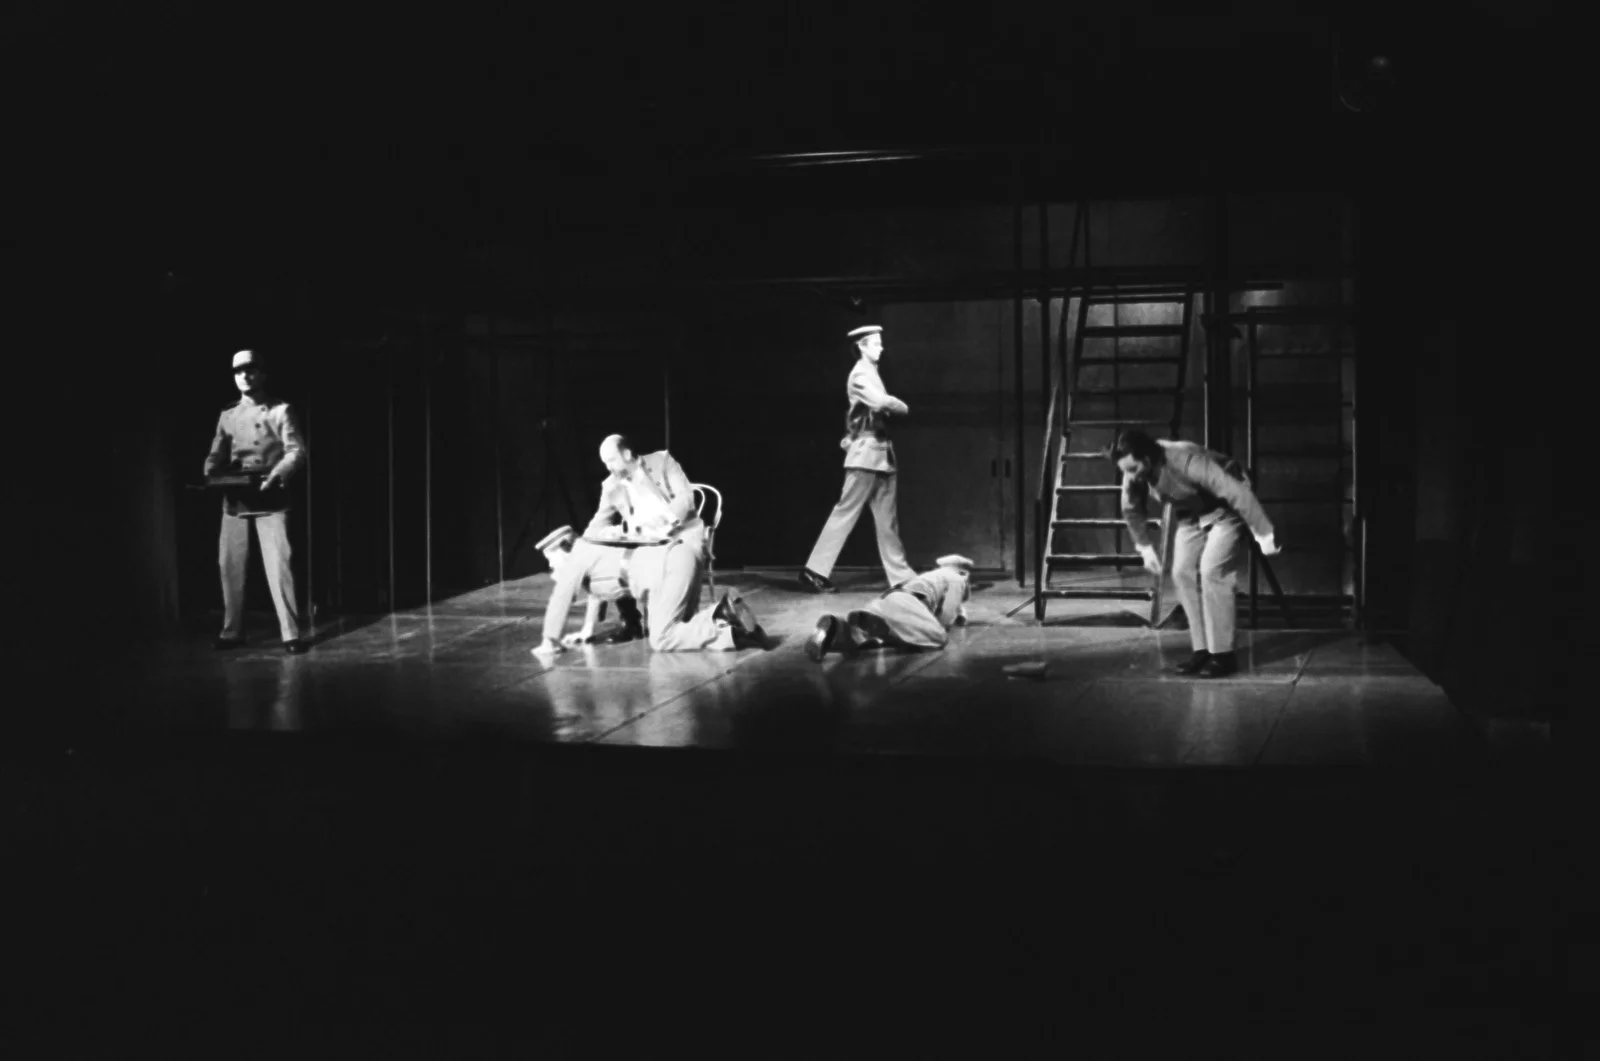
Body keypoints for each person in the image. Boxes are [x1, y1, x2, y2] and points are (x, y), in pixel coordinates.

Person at [534, 435, 764, 656]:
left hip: (683, 535)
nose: (608, 468)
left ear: (626, 454)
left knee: (677, 623)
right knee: (662, 620)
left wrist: (664, 523)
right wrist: (581, 549)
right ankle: (638, 622)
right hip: (649, 549)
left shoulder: (662, 462)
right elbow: (597, 524)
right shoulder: (611, 486)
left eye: (611, 460)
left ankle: (719, 621)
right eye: (604, 463)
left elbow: (685, 499)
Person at [1109, 428, 1281, 678]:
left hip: (1226, 505)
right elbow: (1131, 509)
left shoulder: (1184, 459)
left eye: (1133, 469)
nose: (1130, 476)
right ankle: (1203, 650)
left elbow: (1234, 491)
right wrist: (1144, 547)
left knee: (1212, 570)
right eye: (1125, 471)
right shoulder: (1133, 473)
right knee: (1181, 572)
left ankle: (1222, 654)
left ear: (1146, 459)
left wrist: (1263, 531)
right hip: (1192, 510)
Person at [203, 349, 308, 654]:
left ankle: (290, 633)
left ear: (262, 374)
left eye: (250, 370)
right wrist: (210, 471)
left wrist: (278, 473)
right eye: (238, 372)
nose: (244, 376)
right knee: (230, 565)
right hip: (236, 496)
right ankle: (232, 631)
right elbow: (216, 453)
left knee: (279, 565)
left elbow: (296, 451)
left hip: (269, 493)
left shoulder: (280, 411)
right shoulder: (228, 415)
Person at [799, 325, 918, 594]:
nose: (881, 348)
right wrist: (902, 406)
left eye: (880, 343)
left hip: (881, 453)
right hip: (865, 454)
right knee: (846, 511)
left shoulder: (871, 372)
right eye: (875, 344)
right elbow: (879, 402)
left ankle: (901, 576)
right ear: (862, 347)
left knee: (887, 520)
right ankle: (814, 571)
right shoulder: (860, 374)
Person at [805, 554, 973, 661]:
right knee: (938, 638)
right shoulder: (957, 579)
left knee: (863, 638)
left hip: (887, 599)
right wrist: (942, 626)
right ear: (963, 573)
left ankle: (837, 629)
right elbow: (948, 611)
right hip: (908, 604)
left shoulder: (933, 575)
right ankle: (891, 635)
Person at [532, 525, 645, 648]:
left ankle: (640, 624)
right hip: (631, 581)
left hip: (645, 573)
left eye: (551, 559)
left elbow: (563, 598)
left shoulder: (587, 556)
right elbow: (595, 593)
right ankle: (633, 624)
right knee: (610, 585)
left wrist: (550, 640)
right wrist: (587, 630)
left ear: (566, 548)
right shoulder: (586, 556)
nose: (550, 564)